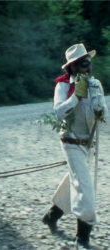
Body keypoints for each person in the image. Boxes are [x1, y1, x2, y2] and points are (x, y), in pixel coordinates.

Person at [42, 44, 108, 250]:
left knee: (76, 180)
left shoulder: (96, 84)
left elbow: (104, 115)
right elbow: (59, 113)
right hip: (70, 142)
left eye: (88, 63)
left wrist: (99, 109)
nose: (88, 68)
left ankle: (51, 216)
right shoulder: (63, 86)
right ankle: (83, 237)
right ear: (72, 67)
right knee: (85, 187)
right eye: (82, 64)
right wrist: (76, 97)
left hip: (88, 144)